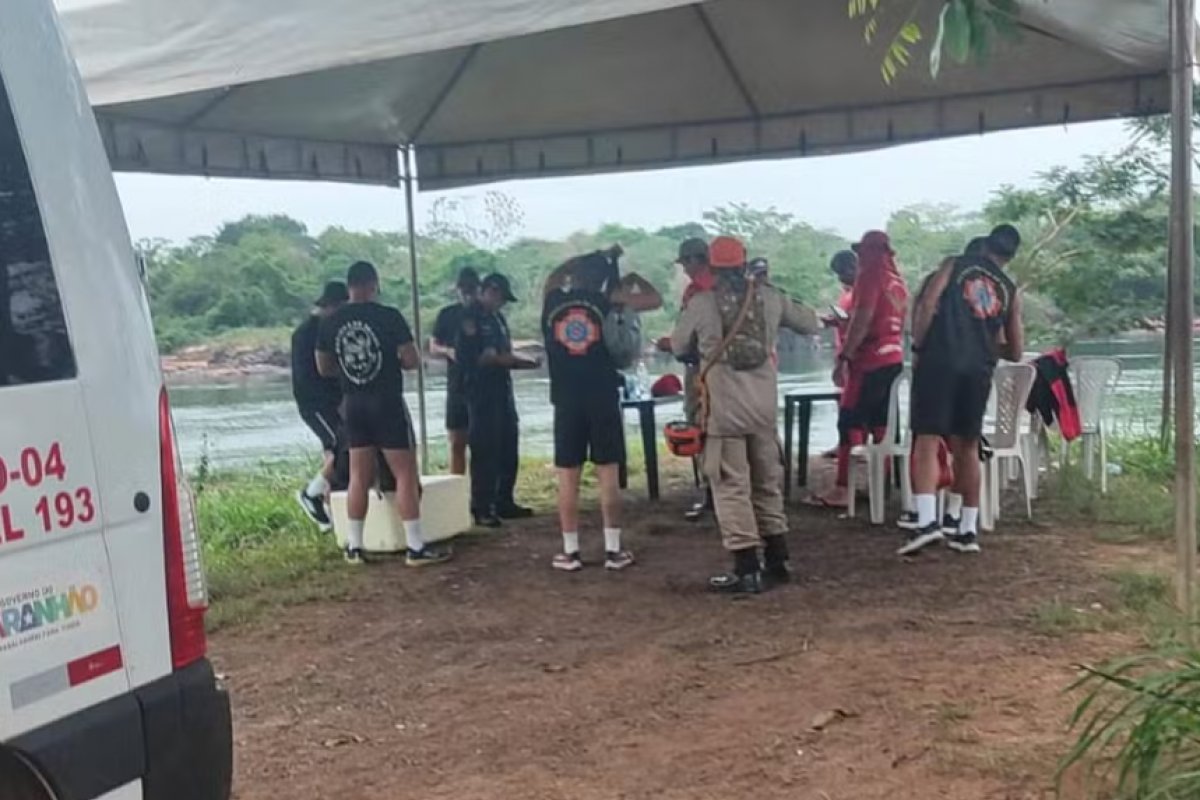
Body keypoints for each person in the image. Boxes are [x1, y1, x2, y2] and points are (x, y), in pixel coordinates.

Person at [671, 236, 820, 594]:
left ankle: (747, 568)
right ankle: (779, 560)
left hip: (723, 413)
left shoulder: (702, 303)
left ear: (712, 266)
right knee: (766, 482)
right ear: (744, 262)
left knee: (730, 486)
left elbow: (678, 346)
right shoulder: (770, 297)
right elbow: (811, 322)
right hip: (763, 409)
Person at [316, 260, 450, 567]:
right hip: (386, 400)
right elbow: (411, 359)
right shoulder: (389, 316)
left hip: (353, 402)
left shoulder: (331, 321)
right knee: (404, 473)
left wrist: (350, 371)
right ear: (373, 284)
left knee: (358, 475)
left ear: (349, 286)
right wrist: (391, 362)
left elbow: (323, 367)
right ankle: (415, 545)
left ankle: (354, 545)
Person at [904, 225, 1024, 556]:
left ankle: (927, 522)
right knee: (967, 446)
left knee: (927, 439)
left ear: (984, 246)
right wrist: (982, 344)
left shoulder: (954, 264)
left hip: (940, 360)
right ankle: (967, 530)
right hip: (979, 370)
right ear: (1010, 256)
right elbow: (1016, 351)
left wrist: (919, 346)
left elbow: (927, 304)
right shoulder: (1010, 289)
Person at [542, 248, 663, 572]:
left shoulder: (553, 301)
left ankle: (570, 552)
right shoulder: (609, 302)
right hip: (602, 395)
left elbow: (553, 276)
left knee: (568, 477)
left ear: (576, 275)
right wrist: (629, 277)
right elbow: (653, 299)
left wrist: (585, 258)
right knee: (608, 473)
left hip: (565, 398)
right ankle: (613, 550)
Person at [818, 232, 909, 508]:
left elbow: (863, 318)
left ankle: (842, 488)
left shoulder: (870, 277)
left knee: (849, 420)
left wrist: (844, 356)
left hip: (869, 359)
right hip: (894, 357)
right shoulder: (898, 283)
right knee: (882, 424)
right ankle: (880, 485)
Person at [457, 272, 540, 527]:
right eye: (500, 297)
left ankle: (504, 500)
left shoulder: (498, 318)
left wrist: (520, 359)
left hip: (502, 388)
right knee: (485, 449)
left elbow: (505, 351)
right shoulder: (470, 316)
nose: (501, 303)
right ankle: (482, 506)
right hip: (480, 391)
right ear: (488, 291)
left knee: (507, 444)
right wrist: (518, 362)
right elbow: (482, 358)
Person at [657, 237, 715, 521]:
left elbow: (687, 339)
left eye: (686, 264)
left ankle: (710, 492)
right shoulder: (730, 287)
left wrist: (670, 344)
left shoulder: (697, 292)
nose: (685, 270)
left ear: (695, 260)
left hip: (700, 369)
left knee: (699, 427)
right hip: (727, 372)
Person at [292, 280, 349, 530]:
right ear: (333, 306)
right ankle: (311, 493)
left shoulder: (314, 329)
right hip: (317, 403)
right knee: (343, 446)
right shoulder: (312, 332)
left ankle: (330, 510)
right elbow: (315, 374)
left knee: (332, 451)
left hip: (326, 401)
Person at [429, 267, 480, 475]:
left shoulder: (484, 313)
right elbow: (433, 346)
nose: (467, 293)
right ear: (457, 289)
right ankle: (458, 485)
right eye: (463, 288)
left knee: (482, 444)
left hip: (482, 385)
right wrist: (448, 351)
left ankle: (480, 487)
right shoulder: (447, 314)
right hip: (457, 383)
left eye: (471, 289)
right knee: (457, 442)